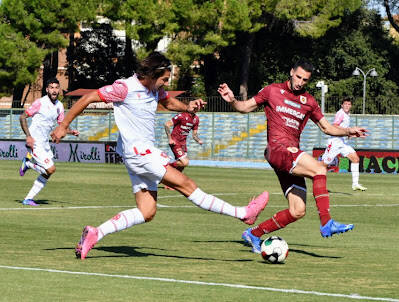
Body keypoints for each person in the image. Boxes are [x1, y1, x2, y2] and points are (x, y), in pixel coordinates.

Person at [51, 52, 268, 260]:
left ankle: (95, 233)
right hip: (140, 154)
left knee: (147, 211)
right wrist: (63, 126)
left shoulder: (154, 89)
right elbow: (88, 98)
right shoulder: (125, 88)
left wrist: (188, 108)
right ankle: (243, 213)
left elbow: (167, 101)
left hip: (136, 156)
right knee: (186, 184)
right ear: (153, 74)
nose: (166, 83)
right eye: (164, 79)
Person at [217, 59, 368, 253]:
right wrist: (232, 100)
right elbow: (244, 107)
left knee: (298, 211)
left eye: (305, 80)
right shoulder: (271, 90)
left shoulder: (310, 102)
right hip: (278, 149)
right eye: (298, 77)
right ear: (291, 72)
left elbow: (327, 128)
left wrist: (349, 131)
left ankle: (253, 234)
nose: (300, 82)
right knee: (319, 168)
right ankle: (326, 222)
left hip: (289, 155)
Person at [18, 77, 79, 206]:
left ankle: (28, 199)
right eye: (51, 88)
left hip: (44, 143)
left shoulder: (59, 106)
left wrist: (70, 131)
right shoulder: (40, 102)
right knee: (50, 169)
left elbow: (61, 125)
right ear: (47, 89)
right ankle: (27, 164)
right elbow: (22, 117)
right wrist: (28, 136)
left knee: (49, 172)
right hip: (35, 142)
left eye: (56, 88)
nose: (54, 90)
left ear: (59, 90)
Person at [321, 98, 367, 191]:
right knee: (323, 165)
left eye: (349, 104)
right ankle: (318, 184)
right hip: (334, 142)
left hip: (342, 142)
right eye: (345, 104)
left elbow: (345, 130)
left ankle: (355, 184)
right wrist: (349, 131)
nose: (347, 106)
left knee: (355, 159)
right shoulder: (340, 113)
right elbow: (335, 126)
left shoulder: (347, 115)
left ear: (351, 106)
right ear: (342, 105)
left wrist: (353, 134)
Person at [163, 110, 203, 189]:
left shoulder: (196, 119)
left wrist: (198, 140)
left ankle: (170, 184)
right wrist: (170, 139)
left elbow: (194, 135)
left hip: (183, 143)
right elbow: (167, 124)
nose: (196, 108)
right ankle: (165, 167)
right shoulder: (181, 115)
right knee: (185, 162)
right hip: (175, 141)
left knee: (181, 166)